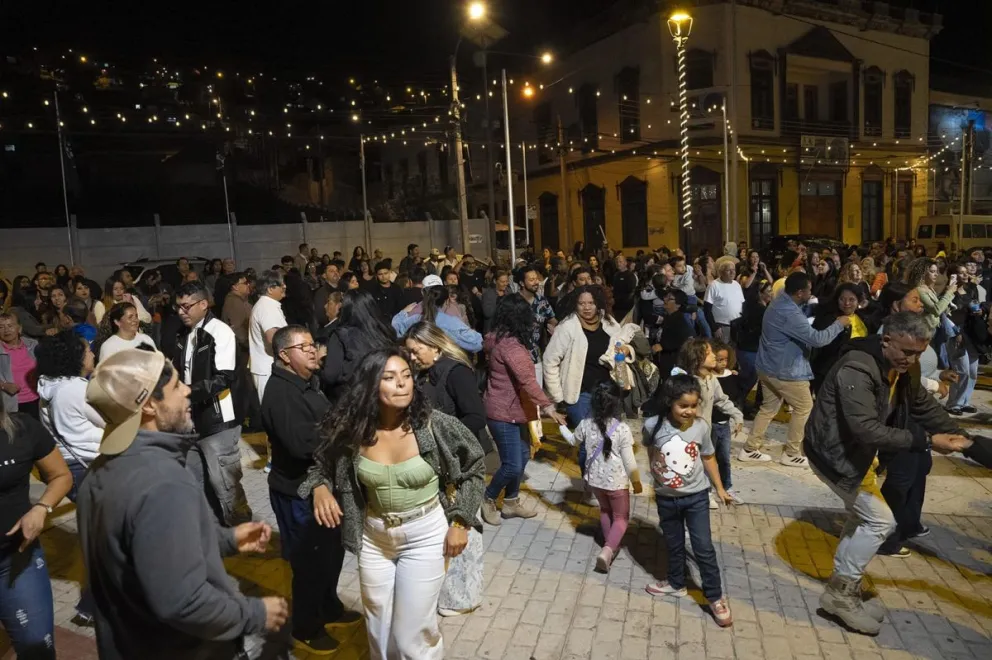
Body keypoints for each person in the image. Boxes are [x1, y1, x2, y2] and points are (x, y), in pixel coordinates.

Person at [77, 348, 288, 658]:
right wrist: (254, 614)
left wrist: (226, 539)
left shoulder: (101, 471)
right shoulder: (163, 482)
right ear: (148, 404)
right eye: (176, 385)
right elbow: (183, 602)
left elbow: (149, 547)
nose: (188, 390)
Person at [301, 348, 485, 660]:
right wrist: (319, 487)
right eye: (389, 378)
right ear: (371, 386)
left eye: (406, 376)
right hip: (374, 537)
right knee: (379, 630)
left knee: (411, 635)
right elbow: (320, 463)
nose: (402, 384)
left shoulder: (434, 426)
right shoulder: (354, 430)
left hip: (425, 534)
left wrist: (460, 521)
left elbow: (475, 468)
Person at [803, 312, 970, 635]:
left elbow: (920, 404)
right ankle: (840, 594)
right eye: (906, 352)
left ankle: (842, 589)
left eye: (919, 353)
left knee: (861, 519)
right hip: (834, 456)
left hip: (856, 456)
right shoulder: (857, 367)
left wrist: (959, 436)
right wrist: (926, 440)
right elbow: (865, 428)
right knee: (880, 521)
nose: (912, 359)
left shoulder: (902, 367)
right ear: (886, 341)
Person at [261, 325, 358, 655]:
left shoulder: (307, 383)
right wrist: (342, 432)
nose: (314, 350)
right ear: (285, 356)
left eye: (313, 344)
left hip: (322, 486)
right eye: (305, 347)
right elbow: (302, 445)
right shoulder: (281, 393)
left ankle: (329, 607)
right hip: (298, 491)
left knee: (331, 554)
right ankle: (305, 627)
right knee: (309, 562)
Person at [402, 321, 488, 616]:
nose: (412, 358)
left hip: (460, 465)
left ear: (435, 347)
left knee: (461, 524)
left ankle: (462, 596)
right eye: (409, 353)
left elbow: (476, 416)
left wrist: (448, 441)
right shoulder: (423, 375)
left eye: (417, 351)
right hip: (436, 466)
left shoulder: (456, 373)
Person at [642, 375, 733, 627]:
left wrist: (720, 488)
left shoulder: (701, 427)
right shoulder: (652, 425)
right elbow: (651, 451)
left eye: (693, 406)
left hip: (696, 499)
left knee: (703, 547)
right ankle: (676, 583)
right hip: (666, 499)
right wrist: (655, 476)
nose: (689, 411)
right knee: (673, 543)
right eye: (684, 405)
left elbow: (709, 457)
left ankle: (714, 596)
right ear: (670, 402)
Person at [740, 273, 852, 467]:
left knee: (768, 408)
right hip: (785, 371)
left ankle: (750, 448)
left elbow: (806, 311)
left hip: (767, 366)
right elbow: (818, 339)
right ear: (800, 292)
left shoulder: (780, 301)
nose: (811, 292)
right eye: (809, 290)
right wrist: (839, 324)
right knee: (804, 407)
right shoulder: (789, 313)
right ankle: (791, 453)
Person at [482, 294, 566, 525]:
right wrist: (548, 407)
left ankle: (511, 501)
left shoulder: (496, 338)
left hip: (511, 410)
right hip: (504, 413)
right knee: (512, 464)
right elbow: (528, 381)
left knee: (521, 456)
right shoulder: (511, 347)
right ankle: (488, 498)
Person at [174, 282, 253, 526]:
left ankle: (241, 529)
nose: (181, 312)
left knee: (225, 482)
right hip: (191, 419)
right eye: (177, 307)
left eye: (186, 307)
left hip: (218, 420)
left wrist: (186, 392)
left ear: (203, 304)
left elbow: (224, 378)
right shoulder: (183, 333)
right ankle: (211, 529)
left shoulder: (220, 332)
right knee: (195, 479)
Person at [0, 396, 72, 660]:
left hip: (17, 559)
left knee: (37, 650)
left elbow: (61, 476)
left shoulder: (23, 429)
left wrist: (41, 508)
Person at [571, 382, 642, 573]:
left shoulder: (585, 424)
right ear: (617, 404)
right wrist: (636, 482)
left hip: (595, 481)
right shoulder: (622, 429)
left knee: (605, 511)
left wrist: (562, 427)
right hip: (617, 482)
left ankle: (610, 543)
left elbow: (572, 440)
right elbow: (629, 461)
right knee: (621, 517)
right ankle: (608, 549)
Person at [674, 338, 744, 508]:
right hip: (687, 434)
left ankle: (710, 491)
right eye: (709, 353)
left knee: (709, 460)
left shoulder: (711, 379)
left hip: (705, 432)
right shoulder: (686, 382)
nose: (714, 356)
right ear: (696, 358)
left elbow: (721, 400)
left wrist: (737, 414)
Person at [318, 289, 397, 404]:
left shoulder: (341, 335)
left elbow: (331, 375)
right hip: (383, 395)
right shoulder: (385, 332)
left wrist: (320, 364)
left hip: (352, 401)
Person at [392, 280, 482, 353]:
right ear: (447, 301)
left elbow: (395, 330)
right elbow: (477, 343)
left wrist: (403, 312)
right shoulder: (451, 322)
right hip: (444, 366)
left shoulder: (416, 319)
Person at [810, 284, 870, 393]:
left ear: (859, 302)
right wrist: (837, 326)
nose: (847, 303)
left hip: (856, 372)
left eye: (852, 300)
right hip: (830, 372)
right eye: (842, 299)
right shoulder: (829, 319)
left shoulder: (863, 317)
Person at [248, 269, 287, 405]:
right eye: (281, 284)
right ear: (270, 289)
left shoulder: (266, 304)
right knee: (274, 410)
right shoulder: (267, 306)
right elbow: (274, 338)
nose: (285, 286)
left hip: (266, 367)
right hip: (268, 369)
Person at [0, 312, 40, 419]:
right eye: (1, 327)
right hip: (11, 405)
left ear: (19, 329)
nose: (6, 330)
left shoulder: (33, 345)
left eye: (10, 326)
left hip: (36, 400)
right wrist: (4, 385)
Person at [704, 261, 745, 341]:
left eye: (733, 270)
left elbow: (742, 304)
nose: (732, 272)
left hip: (737, 325)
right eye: (728, 270)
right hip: (722, 326)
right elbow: (707, 309)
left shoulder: (737, 284)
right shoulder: (714, 285)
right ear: (721, 272)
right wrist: (714, 327)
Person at [313, 262, 342, 327]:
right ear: (324, 276)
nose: (335, 273)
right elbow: (321, 317)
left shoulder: (344, 288)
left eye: (337, 271)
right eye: (331, 271)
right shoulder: (320, 293)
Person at [481, 269, 511, 333]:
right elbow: (488, 313)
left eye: (507, 281)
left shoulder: (509, 292)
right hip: (492, 331)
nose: (505, 284)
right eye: (502, 282)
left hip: (507, 330)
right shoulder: (488, 294)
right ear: (495, 281)